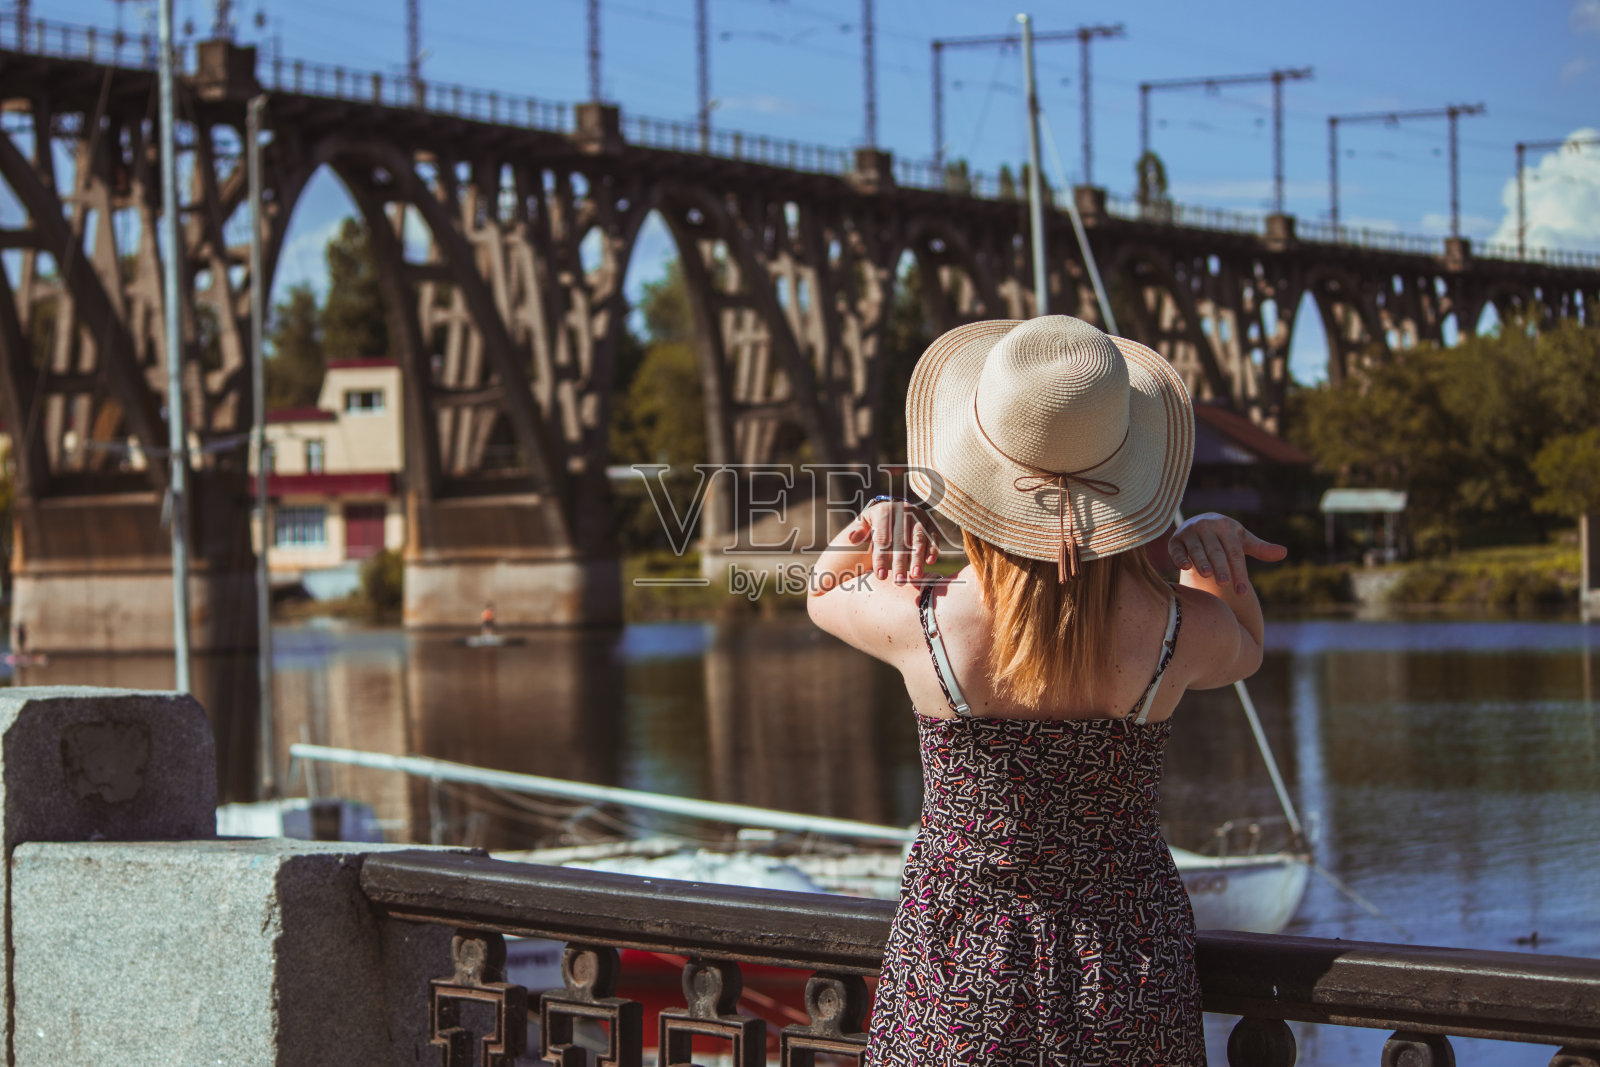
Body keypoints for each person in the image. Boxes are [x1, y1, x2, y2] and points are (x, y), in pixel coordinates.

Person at [806, 315, 1285, 1066]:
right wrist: (1212, 558)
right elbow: (1248, 647)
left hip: (957, 966)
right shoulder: (1176, 630)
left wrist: (875, 522)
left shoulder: (923, 621)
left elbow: (822, 589)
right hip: (1127, 964)